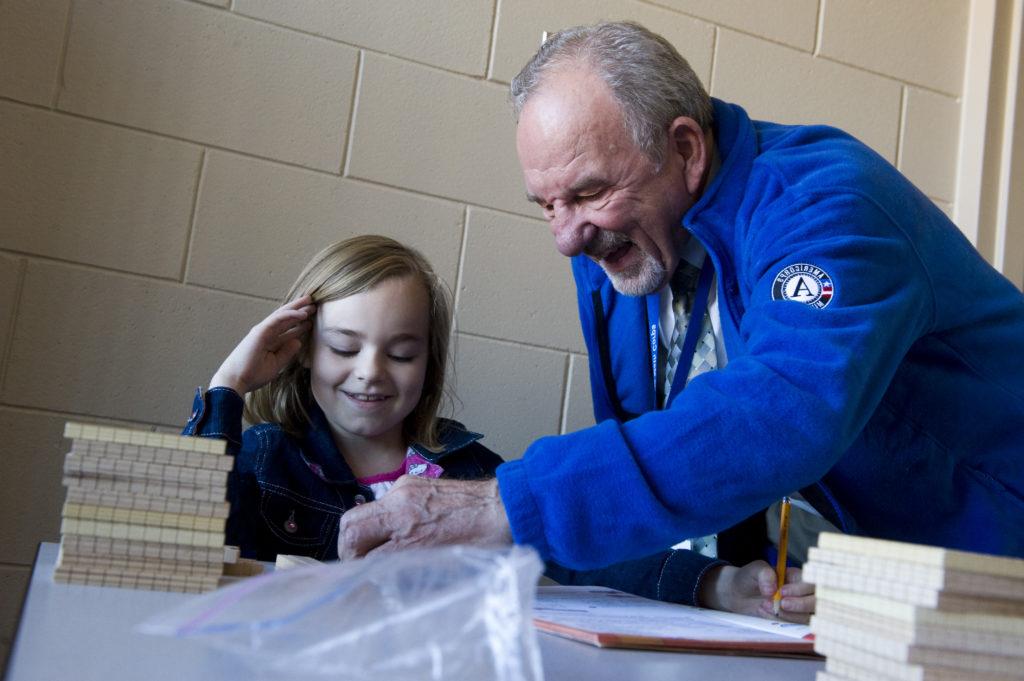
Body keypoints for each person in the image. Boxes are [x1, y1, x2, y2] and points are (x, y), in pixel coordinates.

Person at [337, 20, 1024, 609]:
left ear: (687, 149)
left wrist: (505, 505)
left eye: (588, 191)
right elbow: (652, 446)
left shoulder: (827, 206)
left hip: (994, 574)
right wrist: (711, 581)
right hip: (874, 591)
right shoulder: (619, 253)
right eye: (547, 204)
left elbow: (783, 410)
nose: (566, 237)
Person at [183, 235, 503, 561]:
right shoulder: (264, 459)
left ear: (428, 362)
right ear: (304, 348)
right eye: (344, 348)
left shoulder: (476, 473)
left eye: (401, 354)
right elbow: (182, 540)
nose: (370, 371)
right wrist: (229, 384)